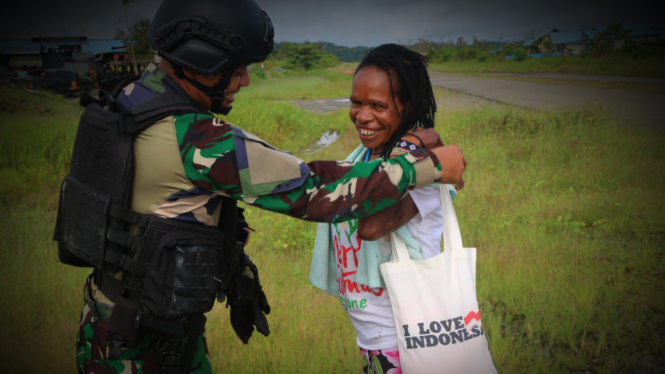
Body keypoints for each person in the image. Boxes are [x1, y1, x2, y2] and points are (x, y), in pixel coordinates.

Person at [52, 1, 466, 373]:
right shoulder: (195, 141)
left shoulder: (129, 99)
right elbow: (318, 191)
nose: (245, 80)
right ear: (201, 61)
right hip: (143, 345)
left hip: (113, 319)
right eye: (236, 69)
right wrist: (426, 166)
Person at [309, 44, 457, 373]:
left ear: (408, 107)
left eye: (378, 105)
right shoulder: (362, 160)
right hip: (375, 335)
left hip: (410, 336)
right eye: (356, 102)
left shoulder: (421, 171)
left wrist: (410, 148)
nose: (362, 116)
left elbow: (371, 226)